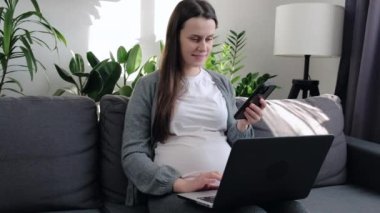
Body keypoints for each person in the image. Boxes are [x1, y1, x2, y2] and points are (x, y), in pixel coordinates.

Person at [122, 0, 308, 212]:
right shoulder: (150, 85)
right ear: (175, 38)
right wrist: (180, 183)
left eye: (209, 39)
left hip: (231, 184)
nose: (204, 47)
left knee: (293, 208)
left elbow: (237, 142)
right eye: (195, 39)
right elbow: (132, 153)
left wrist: (243, 125)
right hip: (178, 190)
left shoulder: (221, 83)